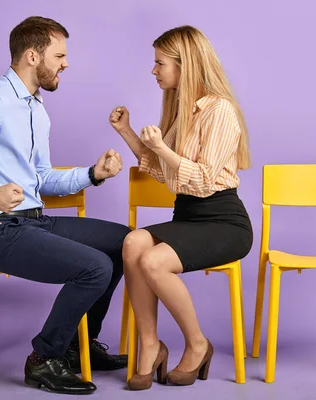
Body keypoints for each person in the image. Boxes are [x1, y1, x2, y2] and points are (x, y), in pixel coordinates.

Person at [0, 16, 130, 395]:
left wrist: (93, 173)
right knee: (95, 267)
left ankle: (74, 347)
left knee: (125, 243)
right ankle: (43, 359)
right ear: (34, 56)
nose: (66, 63)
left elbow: (40, 178)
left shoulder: (34, 107)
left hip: (34, 222)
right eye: (60, 55)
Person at [109, 25, 253, 390]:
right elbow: (161, 171)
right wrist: (126, 132)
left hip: (223, 221)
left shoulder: (220, 111)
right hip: (188, 216)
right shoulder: (180, 109)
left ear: (184, 64)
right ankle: (150, 345)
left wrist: (161, 148)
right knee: (132, 244)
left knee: (154, 262)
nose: (154, 71)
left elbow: (204, 180)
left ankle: (197, 344)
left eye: (160, 63)